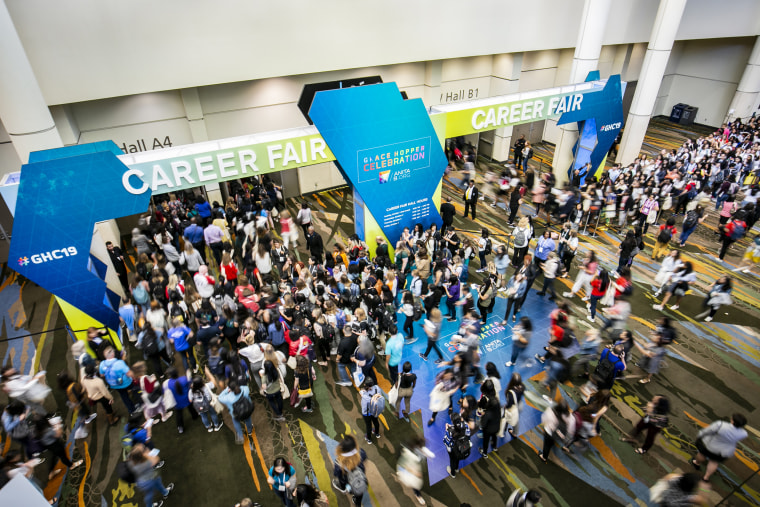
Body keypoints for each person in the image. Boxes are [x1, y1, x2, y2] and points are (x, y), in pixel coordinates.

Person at [690, 413, 748, 482]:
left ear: (732, 421)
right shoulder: (744, 434)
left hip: (710, 446)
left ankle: (696, 463)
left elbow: (707, 431)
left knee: (702, 454)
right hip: (724, 451)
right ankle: (706, 477)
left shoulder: (720, 425)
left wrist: (700, 435)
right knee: (714, 462)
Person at [99, 346, 141, 415]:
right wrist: (135, 378)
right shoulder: (119, 363)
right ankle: (141, 403)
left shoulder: (102, 364)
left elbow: (102, 375)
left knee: (124, 397)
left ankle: (132, 411)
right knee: (136, 390)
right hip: (126, 382)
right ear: (113, 354)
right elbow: (129, 373)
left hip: (114, 385)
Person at [332, 435, 368, 506]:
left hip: (348, 483)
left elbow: (336, 474)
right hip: (359, 480)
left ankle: (342, 488)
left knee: (343, 483)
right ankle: (357, 503)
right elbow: (365, 458)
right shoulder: (361, 453)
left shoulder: (339, 463)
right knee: (359, 494)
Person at [539, 399, 576, 463]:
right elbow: (571, 428)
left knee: (547, 445)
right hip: (558, 434)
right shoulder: (569, 416)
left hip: (549, 431)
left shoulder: (551, 411)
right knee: (553, 439)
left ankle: (544, 457)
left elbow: (544, 419)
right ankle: (552, 443)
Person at [219, 379, 255, 443]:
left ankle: (240, 436)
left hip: (235, 414)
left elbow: (220, 397)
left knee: (236, 422)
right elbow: (245, 387)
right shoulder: (245, 390)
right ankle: (250, 431)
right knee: (247, 418)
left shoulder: (228, 397)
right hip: (246, 409)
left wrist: (227, 390)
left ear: (230, 388)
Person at [166, 367, 195, 434]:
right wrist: (189, 376)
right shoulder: (184, 379)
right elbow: (190, 383)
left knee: (179, 415)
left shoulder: (169, 383)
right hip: (187, 398)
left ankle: (180, 427)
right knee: (191, 408)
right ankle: (194, 416)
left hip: (177, 402)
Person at [444, 412, 471, 478]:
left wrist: (447, 430)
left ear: (452, 421)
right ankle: (456, 468)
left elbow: (446, 442)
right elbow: (468, 435)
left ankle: (452, 473)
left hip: (454, 449)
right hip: (462, 448)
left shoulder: (450, 431)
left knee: (452, 459)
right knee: (457, 458)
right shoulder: (465, 426)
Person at [359, 377, 384, 445]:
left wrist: (362, 392)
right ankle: (377, 433)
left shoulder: (365, 396)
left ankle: (369, 439)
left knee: (368, 426)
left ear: (364, 384)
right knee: (376, 421)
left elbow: (364, 406)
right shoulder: (377, 388)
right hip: (375, 410)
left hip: (367, 413)